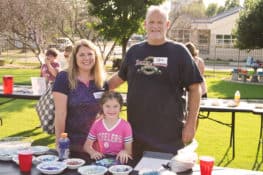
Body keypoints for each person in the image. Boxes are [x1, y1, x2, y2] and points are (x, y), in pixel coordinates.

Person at [108, 5, 203, 163]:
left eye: (160, 22)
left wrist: (191, 124)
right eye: (151, 22)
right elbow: (118, 79)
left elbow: (195, 88)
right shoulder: (134, 52)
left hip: (169, 136)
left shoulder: (179, 52)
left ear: (167, 25)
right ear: (145, 25)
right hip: (136, 135)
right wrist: (95, 86)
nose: (155, 26)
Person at [52, 39, 106, 161]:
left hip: (96, 146)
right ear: (75, 58)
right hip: (71, 145)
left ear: (96, 57)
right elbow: (60, 114)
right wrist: (59, 143)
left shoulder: (101, 81)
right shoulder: (64, 78)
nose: (86, 58)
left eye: (90, 54)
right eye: (81, 54)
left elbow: (105, 114)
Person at [84, 91, 133, 164]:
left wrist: (124, 152)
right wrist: (92, 152)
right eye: (107, 106)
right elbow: (86, 146)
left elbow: (129, 151)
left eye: (115, 106)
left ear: (120, 107)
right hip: (104, 161)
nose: (111, 110)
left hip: (121, 162)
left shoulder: (125, 126)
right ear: (102, 106)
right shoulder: (97, 124)